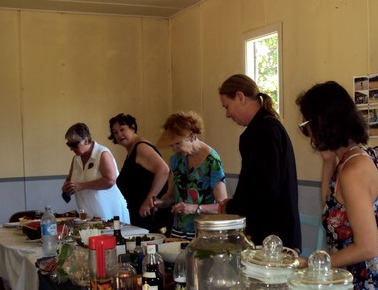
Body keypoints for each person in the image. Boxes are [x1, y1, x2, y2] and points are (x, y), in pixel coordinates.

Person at [296, 81, 378, 290]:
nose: (309, 135)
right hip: (362, 276)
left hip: (370, 282)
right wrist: (328, 160)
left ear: (322, 123)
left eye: (307, 125)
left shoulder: (353, 170)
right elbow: (329, 205)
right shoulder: (354, 157)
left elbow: (367, 247)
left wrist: (313, 263)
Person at [218, 74, 301, 250]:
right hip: (277, 231)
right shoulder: (268, 126)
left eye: (227, 106)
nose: (227, 115)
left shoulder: (262, 131)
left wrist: (232, 206)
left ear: (240, 97)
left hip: (271, 236)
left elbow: (265, 190)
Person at [155, 111, 227, 240]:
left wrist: (194, 208)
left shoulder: (212, 161)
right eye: (172, 145)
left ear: (192, 136)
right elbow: (171, 195)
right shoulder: (176, 159)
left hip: (203, 233)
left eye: (178, 143)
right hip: (178, 232)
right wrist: (160, 203)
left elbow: (222, 205)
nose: (174, 148)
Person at [109, 113, 170, 232]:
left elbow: (164, 170)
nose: (119, 134)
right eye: (115, 132)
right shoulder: (132, 150)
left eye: (122, 129)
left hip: (151, 214)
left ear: (132, 127)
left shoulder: (141, 147)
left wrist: (148, 200)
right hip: (140, 215)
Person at [61, 123, 129, 222]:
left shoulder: (102, 154)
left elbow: (110, 180)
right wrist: (67, 188)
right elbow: (70, 181)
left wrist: (82, 186)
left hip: (110, 214)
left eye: (74, 145)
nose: (71, 148)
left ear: (86, 141)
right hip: (89, 216)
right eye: (69, 144)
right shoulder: (76, 159)